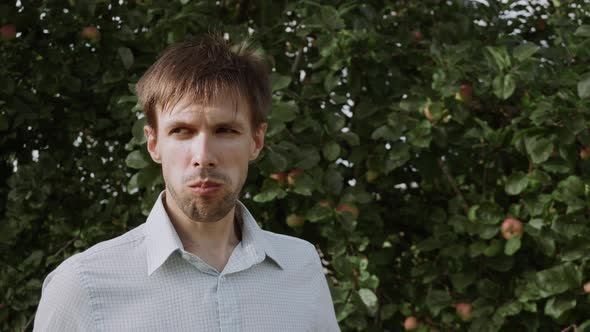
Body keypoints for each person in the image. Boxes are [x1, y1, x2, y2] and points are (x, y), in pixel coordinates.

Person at [33, 35, 340, 331]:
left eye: (225, 130)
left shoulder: (301, 265)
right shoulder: (83, 286)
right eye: (181, 130)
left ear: (256, 141)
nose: (203, 156)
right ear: (153, 144)